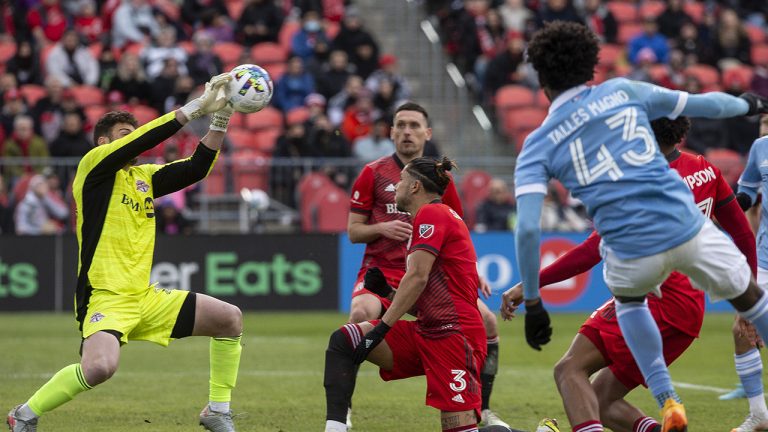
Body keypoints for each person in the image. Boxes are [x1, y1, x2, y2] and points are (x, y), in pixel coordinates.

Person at [509, 21, 768, 432]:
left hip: (632, 255)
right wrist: (748, 107)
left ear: (541, 80)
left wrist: (535, 301)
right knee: (755, 302)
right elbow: (706, 105)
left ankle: (667, 398)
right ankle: (676, 401)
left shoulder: (537, 146)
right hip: (686, 232)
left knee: (619, 317)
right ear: (592, 65)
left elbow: (526, 232)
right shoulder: (621, 92)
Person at [7, 74, 244, 432]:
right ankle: (24, 413)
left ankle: (216, 410)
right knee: (100, 368)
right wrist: (193, 108)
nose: (133, 141)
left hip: (144, 296)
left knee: (230, 319)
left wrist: (220, 119)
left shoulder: (143, 178)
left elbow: (197, 167)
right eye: (124, 134)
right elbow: (146, 139)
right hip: (105, 296)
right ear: (103, 142)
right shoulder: (92, 170)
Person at [346, 102, 508, 428]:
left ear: (427, 133)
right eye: (401, 125)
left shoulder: (438, 178)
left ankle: (482, 407)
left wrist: (473, 271)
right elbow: (353, 231)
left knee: (488, 321)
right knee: (361, 314)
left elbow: (457, 227)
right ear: (391, 132)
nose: (407, 132)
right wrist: (381, 228)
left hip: (433, 277)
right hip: (382, 269)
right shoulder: (373, 173)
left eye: (414, 126)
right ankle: (344, 409)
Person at [324, 157, 488, 432]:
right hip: (428, 331)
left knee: (460, 430)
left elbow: (417, 276)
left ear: (414, 186)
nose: (395, 186)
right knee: (345, 341)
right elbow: (429, 298)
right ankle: (335, 427)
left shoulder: (433, 214)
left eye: (400, 180)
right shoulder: (431, 216)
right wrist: (387, 292)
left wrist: (382, 327)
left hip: (455, 337)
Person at [734, 113, 768, 432]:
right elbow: (745, 195)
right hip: (766, 260)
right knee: (742, 331)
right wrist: (718, 209)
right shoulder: (760, 149)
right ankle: (759, 414)